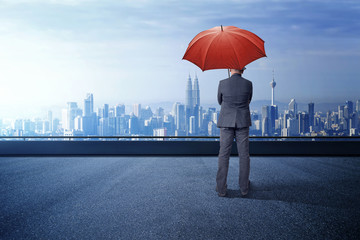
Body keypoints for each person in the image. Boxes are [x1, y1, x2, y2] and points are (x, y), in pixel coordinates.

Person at [216, 67, 252, 197]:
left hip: (226, 122)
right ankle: (244, 188)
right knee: (244, 155)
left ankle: (221, 188)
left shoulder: (222, 83)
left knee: (224, 155)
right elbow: (248, 100)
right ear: (243, 69)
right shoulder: (248, 84)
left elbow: (220, 101)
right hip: (242, 122)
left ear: (230, 68)